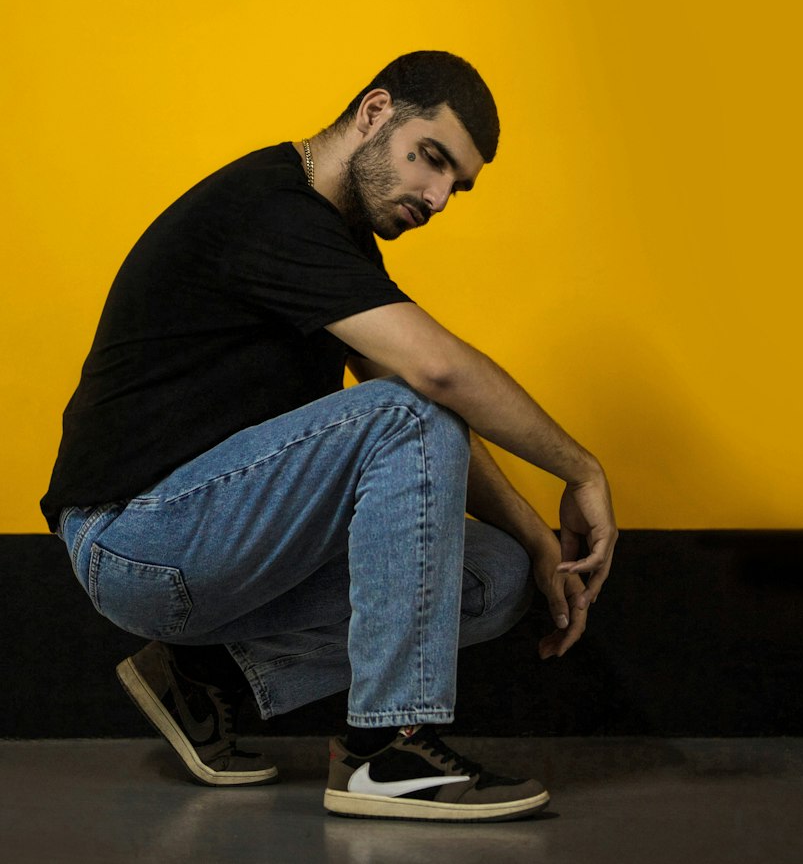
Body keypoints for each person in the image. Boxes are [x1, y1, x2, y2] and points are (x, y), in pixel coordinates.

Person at [41, 51, 617, 823]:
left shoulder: (338, 242)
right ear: (376, 112)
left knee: (493, 577)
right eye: (432, 159)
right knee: (411, 412)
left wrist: (539, 541)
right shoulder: (268, 209)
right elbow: (433, 381)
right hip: (136, 537)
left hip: (217, 544)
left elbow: (408, 390)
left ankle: (204, 679)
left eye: (458, 185)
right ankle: (388, 752)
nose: (440, 197)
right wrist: (580, 472)